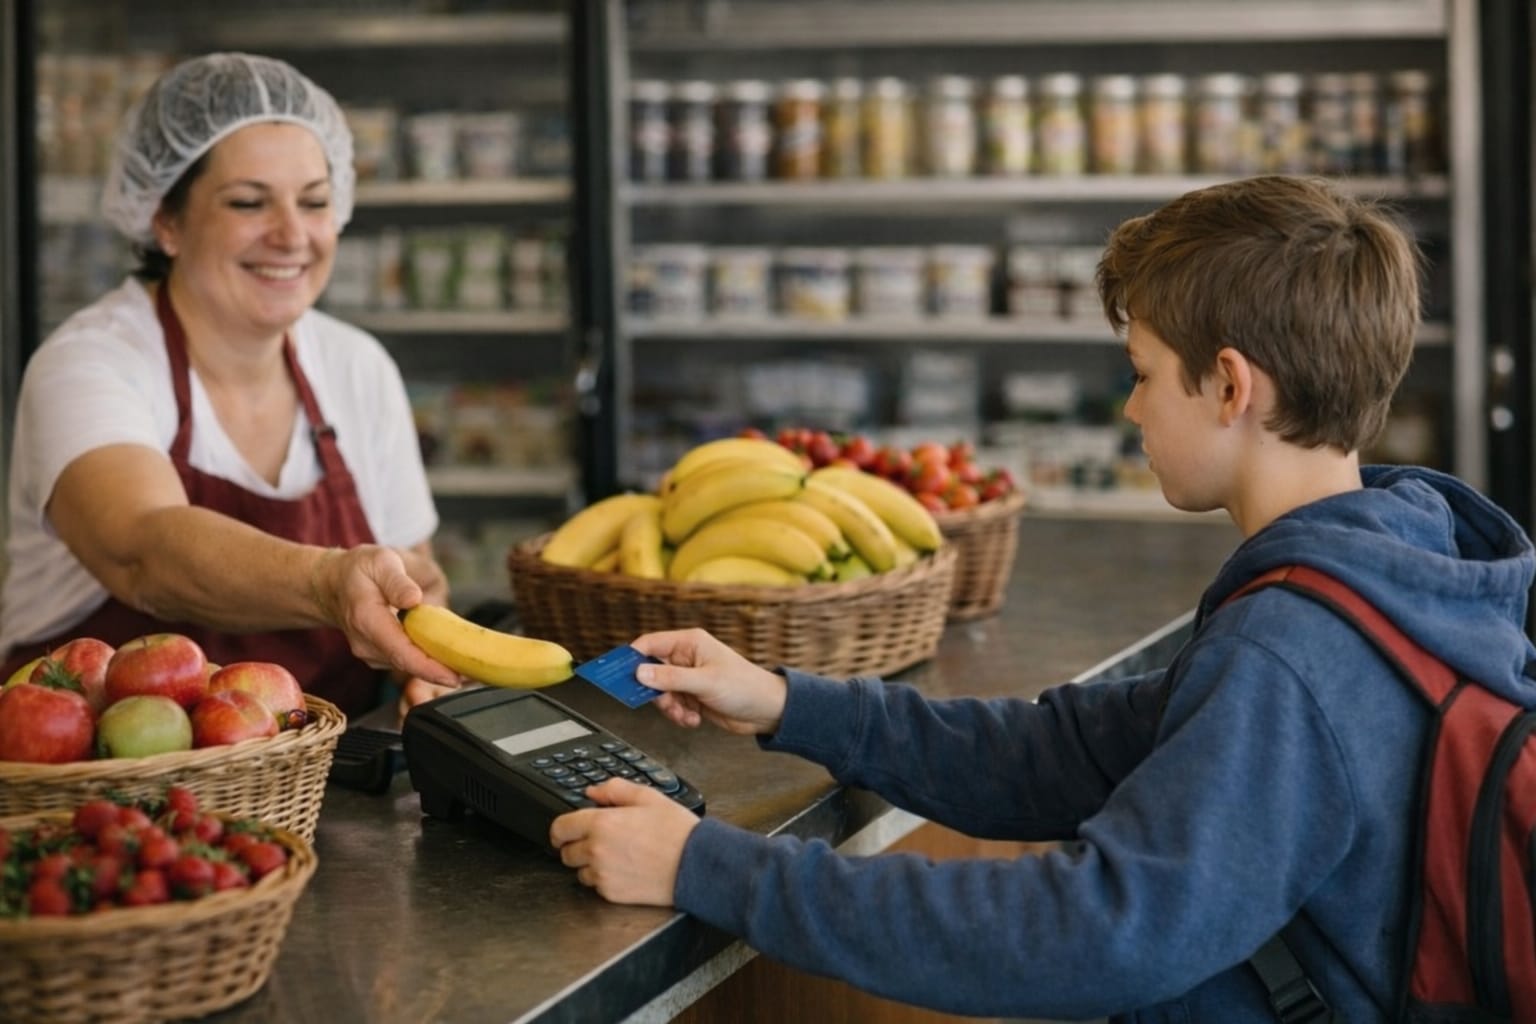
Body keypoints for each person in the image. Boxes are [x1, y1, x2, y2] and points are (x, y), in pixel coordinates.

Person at [547, 175, 1536, 1021]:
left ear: (1231, 387)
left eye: (1144, 373)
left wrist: (706, 867)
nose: (1132, 406)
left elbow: (1095, 930)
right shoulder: (1387, 570)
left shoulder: (1292, 647)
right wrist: (789, 702)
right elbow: (1060, 752)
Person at [0, 53, 460, 717]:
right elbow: (144, 551)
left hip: (322, 792)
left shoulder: (358, 369)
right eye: (248, 202)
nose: (292, 235)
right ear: (167, 221)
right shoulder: (88, 363)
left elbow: (414, 582)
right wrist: (330, 582)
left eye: (315, 202)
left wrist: (424, 644)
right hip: (98, 798)